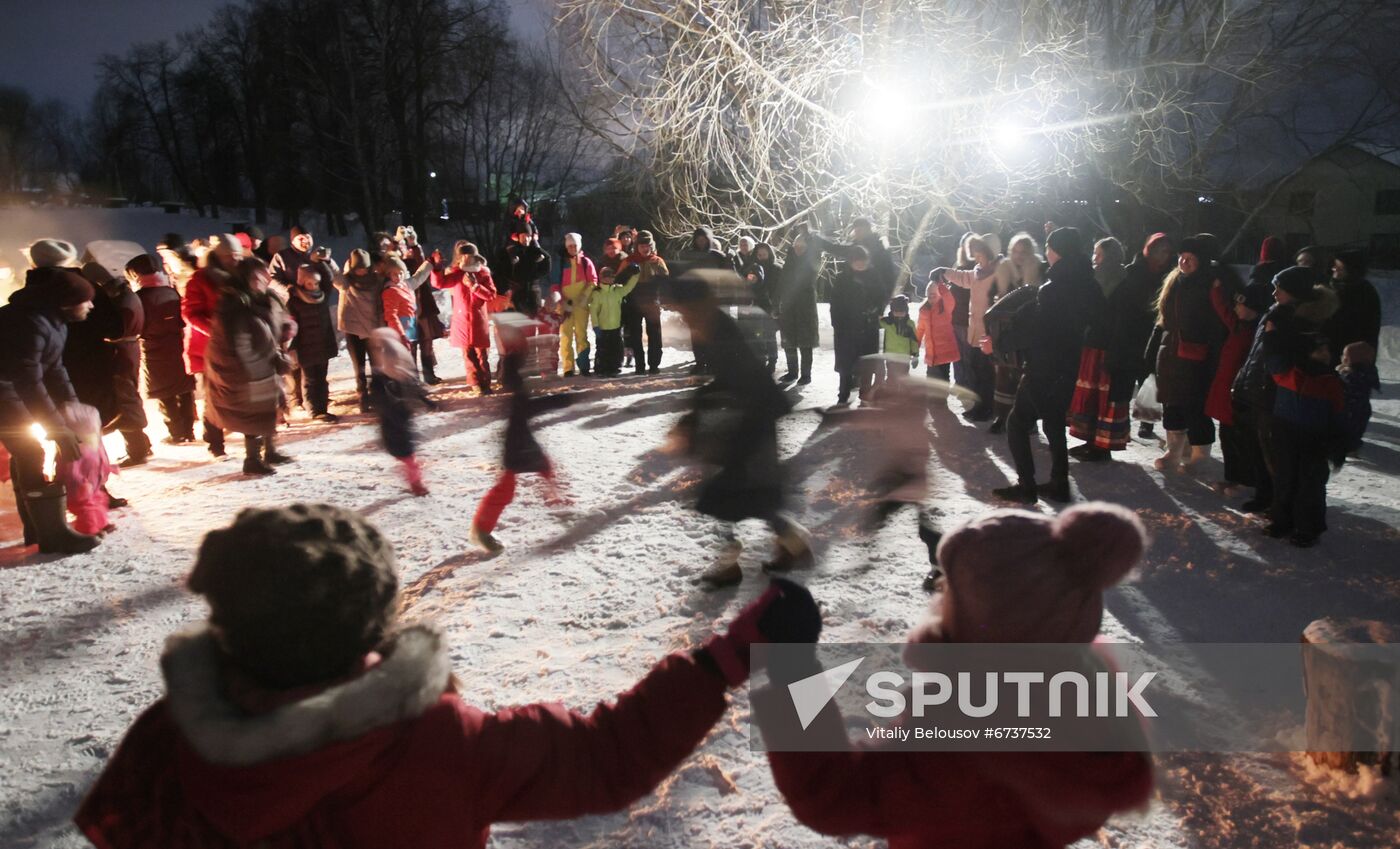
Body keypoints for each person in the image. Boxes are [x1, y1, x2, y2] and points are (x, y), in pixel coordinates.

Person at [74, 501, 820, 849]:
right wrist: (726, 659)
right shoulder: (426, 745)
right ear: (372, 626)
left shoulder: (167, 737)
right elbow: (601, 757)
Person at [757, 503, 1153, 849]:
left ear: (989, 622)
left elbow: (834, 795)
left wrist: (796, 674)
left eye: (950, 590)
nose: (938, 596)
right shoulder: (1087, 711)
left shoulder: (959, 738)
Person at [664, 272, 814, 587]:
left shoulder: (718, 329)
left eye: (684, 309)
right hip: (750, 417)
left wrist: (693, 414)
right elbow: (729, 379)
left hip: (754, 417)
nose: (682, 317)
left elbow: (739, 378)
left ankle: (735, 562)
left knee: (726, 493)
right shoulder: (712, 325)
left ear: (697, 304)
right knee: (751, 495)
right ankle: (792, 547)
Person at [992, 227, 1102, 504]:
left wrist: (998, 344)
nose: (1047, 254)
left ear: (1058, 252)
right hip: (1069, 365)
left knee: (1017, 423)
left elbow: (1036, 330)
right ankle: (1059, 483)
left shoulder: (1054, 289)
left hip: (1044, 367)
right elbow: (1101, 324)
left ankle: (1026, 485)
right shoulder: (1090, 284)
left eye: (1050, 249)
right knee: (1053, 423)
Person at [0, 259, 100, 554]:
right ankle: (51, 533)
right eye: (86, 301)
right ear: (68, 303)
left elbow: (55, 369)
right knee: (29, 450)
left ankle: (38, 527)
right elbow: (27, 380)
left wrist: (71, 406)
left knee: (27, 451)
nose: (91, 307)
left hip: (8, 387)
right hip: (4, 389)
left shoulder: (53, 321)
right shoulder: (30, 323)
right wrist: (57, 427)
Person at [1230, 266, 1339, 514]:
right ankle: (1266, 496)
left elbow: (1283, 359)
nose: (1275, 293)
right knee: (1261, 451)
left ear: (1295, 292)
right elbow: (1257, 354)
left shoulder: (1299, 321)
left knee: (1279, 459)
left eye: (1280, 288)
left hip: (1278, 394)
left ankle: (1283, 507)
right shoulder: (1276, 312)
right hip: (1259, 388)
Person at [468, 314, 573, 552]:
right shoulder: (513, 365)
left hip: (519, 437)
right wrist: (564, 399)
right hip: (516, 443)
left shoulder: (517, 360)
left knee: (545, 467)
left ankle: (559, 503)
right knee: (506, 490)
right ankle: (481, 530)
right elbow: (529, 405)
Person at [205, 257, 291, 476]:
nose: (262, 280)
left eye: (263, 276)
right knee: (254, 414)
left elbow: (274, 325)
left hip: (266, 362)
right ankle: (252, 460)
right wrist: (257, 370)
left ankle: (270, 451)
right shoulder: (235, 304)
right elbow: (239, 342)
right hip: (246, 369)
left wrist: (285, 330)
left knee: (270, 408)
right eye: (256, 277)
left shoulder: (264, 299)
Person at [1151, 236, 1228, 474]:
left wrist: (1212, 355)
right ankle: (1174, 450)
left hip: (1197, 355)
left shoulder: (1211, 285)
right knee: (1172, 402)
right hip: (1171, 351)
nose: (1184, 261)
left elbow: (1219, 325)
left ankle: (1199, 455)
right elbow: (1164, 320)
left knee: (1195, 405)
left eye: (1190, 258)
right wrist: (1154, 346)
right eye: (1181, 257)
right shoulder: (1174, 281)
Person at [1264, 332, 1346, 548]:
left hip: (1315, 440)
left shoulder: (1332, 383)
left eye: (1327, 351)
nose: (1325, 355)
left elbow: (1340, 416)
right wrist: (1277, 328)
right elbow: (1272, 351)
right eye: (1319, 350)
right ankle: (1282, 521)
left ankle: (1309, 528)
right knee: (1285, 478)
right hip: (1285, 434)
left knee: (1310, 484)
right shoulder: (1288, 373)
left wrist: (1338, 443)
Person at [1068, 237, 1137, 461]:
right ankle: (1090, 439)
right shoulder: (1094, 278)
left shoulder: (1123, 282)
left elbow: (1121, 320)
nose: (1094, 258)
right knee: (1090, 394)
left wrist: (1116, 348)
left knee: (1105, 397)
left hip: (1109, 348)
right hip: (1092, 345)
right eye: (1094, 253)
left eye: (1099, 254)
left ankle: (1102, 446)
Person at [936, 233, 1011, 423]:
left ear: (990, 253)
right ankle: (980, 406)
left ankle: (988, 408)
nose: (976, 259)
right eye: (975, 255)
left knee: (987, 374)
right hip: (975, 331)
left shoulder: (1000, 273)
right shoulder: (979, 272)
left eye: (979, 255)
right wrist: (944, 271)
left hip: (990, 334)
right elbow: (963, 277)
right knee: (976, 370)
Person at [128, 254, 197, 444]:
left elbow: (136, 326)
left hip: (153, 349)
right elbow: (183, 319)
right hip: (177, 346)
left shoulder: (138, 297)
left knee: (164, 393)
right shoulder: (171, 291)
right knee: (184, 389)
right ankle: (188, 431)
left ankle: (176, 433)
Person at [184, 234, 242, 457]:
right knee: (213, 398)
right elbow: (190, 313)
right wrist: (217, 330)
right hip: (207, 349)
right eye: (230, 256)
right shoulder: (201, 279)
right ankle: (215, 444)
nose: (234, 260)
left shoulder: (241, 276)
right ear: (219, 257)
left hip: (236, 346)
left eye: (237, 256)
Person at [989, 233, 1045, 432]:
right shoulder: (1003, 269)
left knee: (1026, 377)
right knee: (1004, 374)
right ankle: (1002, 417)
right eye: (1015, 251)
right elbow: (993, 301)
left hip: (1030, 330)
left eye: (1023, 252)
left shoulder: (1040, 269)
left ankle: (1027, 420)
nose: (1019, 255)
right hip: (1006, 330)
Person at [367, 328, 432, 496]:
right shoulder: (385, 384)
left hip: (399, 424)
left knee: (407, 456)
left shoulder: (392, 380)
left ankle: (413, 478)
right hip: (395, 426)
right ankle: (415, 481)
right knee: (407, 456)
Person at [1126, 233, 1173, 438]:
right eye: (1159, 250)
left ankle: (1147, 422)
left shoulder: (1171, 275)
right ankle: (1119, 423)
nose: (1163, 255)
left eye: (1166, 251)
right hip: (1132, 332)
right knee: (1127, 379)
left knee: (1148, 378)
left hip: (1155, 333)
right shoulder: (1133, 271)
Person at [829, 246, 888, 407]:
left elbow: (882, 296)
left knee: (867, 363)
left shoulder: (874, 276)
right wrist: (838, 324)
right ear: (851, 261)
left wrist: (877, 310)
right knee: (846, 365)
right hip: (846, 329)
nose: (861, 264)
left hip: (868, 327)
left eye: (863, 261)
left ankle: (865, 393)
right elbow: (835, 304)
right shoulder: (842, 278)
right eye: (857, 261)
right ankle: (843, 393)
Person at [436, 242, 497, 395]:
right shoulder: (457, 273)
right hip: (461, 320)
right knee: (468, 355)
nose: (465, 258)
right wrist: (437, 267)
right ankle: (475, 383)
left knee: (481, 354)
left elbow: (491, 295)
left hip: (478, 319)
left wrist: (475, 287)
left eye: (467, 255)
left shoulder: (483, 273)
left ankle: (485, 382)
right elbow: (440, 283)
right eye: (462, 255)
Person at [287, 263, 341, 423]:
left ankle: (323, 409)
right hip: (306, 347)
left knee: (322, 378)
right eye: (309, 283)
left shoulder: (322, 297)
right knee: (310, 380)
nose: (313, 286)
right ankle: (314, 411)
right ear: (302, 282)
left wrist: (321, 261)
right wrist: (292, 348)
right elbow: (292, 327)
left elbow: (328, 278)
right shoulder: (294, 301)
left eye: (315, 283)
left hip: (322, 344)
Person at [336, 248, 387, 412]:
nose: (361, 270)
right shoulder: (346, 282)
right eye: (358, 267)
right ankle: (363, 396)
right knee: (359, 367)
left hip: (373, 327)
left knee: (376, 365)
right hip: (353, 329)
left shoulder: (377, 280)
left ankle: (378, 395)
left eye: (364, 267)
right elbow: (333, 276)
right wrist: (327, 260)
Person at [56, 402, 114, 536]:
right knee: (86, 509)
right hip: (78, 489)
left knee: (99, 501)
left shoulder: (94, 445)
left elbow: (101, 460)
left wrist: (108, 469)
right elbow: (71, 472)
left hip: (93, 485)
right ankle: (88, 530)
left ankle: (101, 523)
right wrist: (79, 483)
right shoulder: (74, 451)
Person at [397, 225, 445, 384]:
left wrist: (414, 244)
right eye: (403, 245)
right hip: (406, 309)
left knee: (426, 342)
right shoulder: (395, 265)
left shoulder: (415, 258)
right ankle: (412, 377)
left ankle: (429, 374)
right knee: (410, 345)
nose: (406, 249)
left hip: (423, 306)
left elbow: (420, 262)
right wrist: (398, 243)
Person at [621, 230, 670, 374]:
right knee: (635, 335)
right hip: (633, 302)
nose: (644, 248)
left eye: (647, 245)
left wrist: (660, 279)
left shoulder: (657, 261)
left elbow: (667, 281)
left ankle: (654, 365)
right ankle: (639, 365)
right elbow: (618, 280)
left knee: (654, 334)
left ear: (651, 246)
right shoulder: (628, 261)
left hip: (652, 302)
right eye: (641, 245)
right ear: (637, 246)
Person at [777, 230, 820, 385]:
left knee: (805, 344)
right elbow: (780, 285)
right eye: (796, 245)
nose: (798, 248)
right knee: (789, 342)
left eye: (802, 246)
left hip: (805, 308)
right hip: (789, 309)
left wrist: (808, 234)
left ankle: (806, 375)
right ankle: (792, 372)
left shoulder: (811, 261)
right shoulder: (788, 263)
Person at [1324, 248, 1382, 357]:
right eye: (1334, 265)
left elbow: (1362, 324)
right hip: (1333, 347)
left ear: (1351, 269)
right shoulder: (1334, 287)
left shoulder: (1362, 291)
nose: (1334, 269)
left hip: (1352, 350)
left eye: (1339, 267)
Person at [557, 232, 597, 377]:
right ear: (566, 247)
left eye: (575, 245)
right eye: (570, 246)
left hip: (581, 304)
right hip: (564, 305)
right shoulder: (560, 262)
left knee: (581, 334)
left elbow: (593, 281)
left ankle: (584, 365)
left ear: (579, 246)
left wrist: (584, 297)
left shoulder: (586, 262)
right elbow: (555, 284)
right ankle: (568, 367)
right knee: (565, 336)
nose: (573, 248)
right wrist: (561, 300)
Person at [590, 266, 638, 376]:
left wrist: (635, 275)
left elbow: (629, 287)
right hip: (602, 328)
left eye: (610, 277)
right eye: (605, 277)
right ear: (601, 278)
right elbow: (593, 311)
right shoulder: (597, 293)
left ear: (613, 278)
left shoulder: (617, 291)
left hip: (616, 327)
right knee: (602, 349)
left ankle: (614, 367)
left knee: (616, 349)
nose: (608, 280)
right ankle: (601, 368)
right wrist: (595, 326)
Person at [915, 273, 960, 391]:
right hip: (931, 352)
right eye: (929, 296)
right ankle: (931, 398)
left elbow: (949, 297)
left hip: (945, 351)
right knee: (930, 377)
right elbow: (920, 329)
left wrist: (940, 284)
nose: (931, 299)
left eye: (934, 296)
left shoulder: (945, 307)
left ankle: (942, 400)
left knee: (943, 377)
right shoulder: (924, 310)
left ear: (940, 295)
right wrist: (915, 345)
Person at [498, 223, 550, 318]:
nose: (526, 239)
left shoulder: (536, 251)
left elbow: (547, 263)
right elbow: (502, 269)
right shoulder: (512, 251)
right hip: (517, 292)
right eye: (523, 236)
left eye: (528, 236)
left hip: (533, 291)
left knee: (533, 320)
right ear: (518, 237)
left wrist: (536, 275)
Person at [1337, 341, 1379, 457]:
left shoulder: (1353, 375)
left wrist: (1342, 373)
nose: (1342, 357)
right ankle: (1352, 445)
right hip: (1362, 407)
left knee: (1350, 428)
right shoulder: (1369, 370)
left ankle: (1349, 447)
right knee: (1357, 427)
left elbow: (1343, 385)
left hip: (1350, 408)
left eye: (1345, 355)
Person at [873, 295, 918, 397]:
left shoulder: (909, 324)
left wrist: (915, 355)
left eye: (901, 312)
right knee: (892, 376)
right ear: (892, 311)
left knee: (904, 376)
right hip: (891, 357)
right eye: (896, 312)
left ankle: (904, 395)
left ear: (906, 311)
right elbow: (876, 320)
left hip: (904, 357)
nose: (899, 315)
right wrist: (877, 312)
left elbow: (914, 340)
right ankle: (891, 395)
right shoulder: (887, 322)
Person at [749, 241, 782, 373]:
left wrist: (777, 306)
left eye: (764, 254)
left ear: (769, 253)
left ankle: (772, 361)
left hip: (771, 306)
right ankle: (761, 359)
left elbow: (780, 289)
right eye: (759, 254)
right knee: (758, 334)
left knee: (769, 335)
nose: (762, 256)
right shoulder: (753, 268)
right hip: (757, 305)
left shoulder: (776, 268)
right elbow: (748, 284)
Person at [269, 226, 313, 294]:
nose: (305, 240)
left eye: (307, 237)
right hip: (290, 300)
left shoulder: (317, 256)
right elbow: (272, 279)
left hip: (314, 300)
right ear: (293, 241)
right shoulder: (281, 256)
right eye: (300, 238)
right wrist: (287, 289)